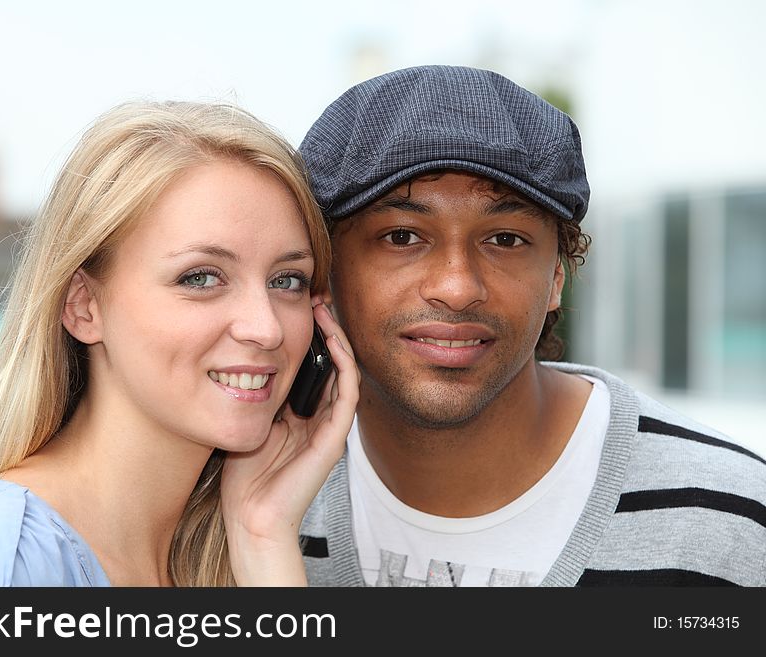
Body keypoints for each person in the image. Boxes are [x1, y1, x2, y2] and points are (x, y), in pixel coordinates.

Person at [296, 65, 766, 587]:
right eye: (403, 236)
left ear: (557, 277)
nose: (457, 287)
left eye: (504, 239)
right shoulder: (248, 501)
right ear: (324, 271)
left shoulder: (731, 519)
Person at [0, 100, 358, 587]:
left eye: (288, 281)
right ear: (83, 306)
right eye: (201, 277)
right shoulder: (0, 565)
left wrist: (264, 537)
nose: (266, 328)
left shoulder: (221, 555)